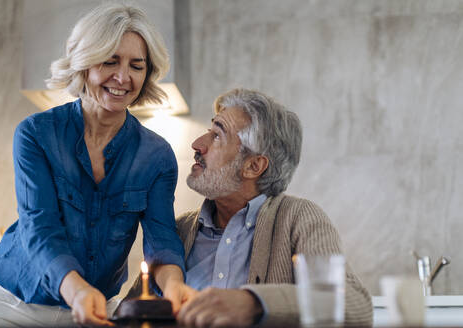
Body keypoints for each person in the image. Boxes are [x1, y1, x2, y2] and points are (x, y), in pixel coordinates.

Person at [0, 3, 194, 327]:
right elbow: (40, 227)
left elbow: (162, 240)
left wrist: (174, 285)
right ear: (85, 62)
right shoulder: (36, 134)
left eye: (136, 65)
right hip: (12, 304)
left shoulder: (156, 155)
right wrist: (76, 292)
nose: (123, 77)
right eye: (110, 61)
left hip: (95, 308)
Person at [129, 88, 373, 327]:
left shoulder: (299, 218)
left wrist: (253, 303)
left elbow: (356, 306)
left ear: (254, 166)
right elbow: (127, 314)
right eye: (208, 131)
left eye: (217, 135)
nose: (197, 144)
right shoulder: (180, 230)